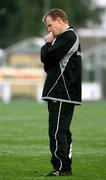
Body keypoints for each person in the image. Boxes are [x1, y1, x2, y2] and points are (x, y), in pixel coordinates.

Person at [40, 8, 82, 176]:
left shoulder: (68, 37)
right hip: (62, 92)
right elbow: (48, 65)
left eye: (50, 25)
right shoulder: (65, 38)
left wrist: (47, 43)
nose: (49, 30)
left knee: (57, 131)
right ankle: (65, 166)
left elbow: (46, 57)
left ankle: (61, 168)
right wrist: (49, 51)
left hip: (62, 92)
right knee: (62, 131)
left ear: (59, 20)